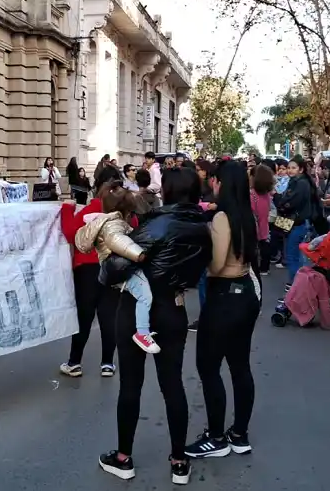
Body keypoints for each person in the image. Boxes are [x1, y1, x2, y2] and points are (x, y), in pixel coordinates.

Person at [99, 168, 212, 486]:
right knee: (173, 384)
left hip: (139, 309)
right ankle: (179, 460)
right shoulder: (203, 228)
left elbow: (116, 268)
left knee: (131, 385)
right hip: (174, 308)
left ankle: (123, 458)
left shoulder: (157, 224)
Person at [184, 160, 261, 459]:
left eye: (214, 180)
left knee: (208, 366)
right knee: (240, 366)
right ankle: (239, 434)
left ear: (221, 183)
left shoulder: (221, 218)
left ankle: (215, 437)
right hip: (244, 294)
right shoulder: (246, 215)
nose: (211, 185)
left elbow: (215, 264)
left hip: (223, 296)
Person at [75, 186, 158, 353]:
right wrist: (140, 254)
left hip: (114, 266)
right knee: (145, 296)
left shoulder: (104, 220)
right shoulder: (113, 224)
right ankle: (142, 332)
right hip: (121, 266)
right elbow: (118, 241)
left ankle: (143, 329)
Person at [59, 166, 123, 377]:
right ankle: (107, 363)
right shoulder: (124, 210)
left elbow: (70, 233)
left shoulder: (94, 207)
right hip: (113, 267)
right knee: (108, 315)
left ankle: (74, 362)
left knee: (84, 317)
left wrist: (67, 210)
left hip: (87, 268)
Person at [273, 156, 317, 293]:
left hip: (296, 224)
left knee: (293, 257)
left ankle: (295, 288)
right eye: (289, 168)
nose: (290, 171)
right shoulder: (297, 182)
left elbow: (290, 202)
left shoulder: (300, 184)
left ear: (301, 169)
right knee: (296, 256)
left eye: (294, 168)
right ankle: (300, 286)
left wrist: (279, 199)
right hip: (294, 223)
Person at [251, 164, 275, 274]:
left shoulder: (252, 195)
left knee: (257, 249)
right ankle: (265, 268)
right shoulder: (267, 194)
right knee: (265, 245)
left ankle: (259, 268)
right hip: (265, 224)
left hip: (255, 227)